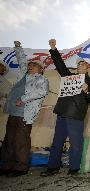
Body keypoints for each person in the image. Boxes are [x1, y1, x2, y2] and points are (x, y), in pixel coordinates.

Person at [40, 39, 90, 176]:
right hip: (62, 113)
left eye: (82, 64)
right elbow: (59, 65)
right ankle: (53, 167)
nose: (80, 65)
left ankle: (74, 168)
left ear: (87, 68)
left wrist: (87, 90)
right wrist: (53, 49)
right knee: (57, 142)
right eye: (79, 64)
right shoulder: (69, 76)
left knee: (76, 143)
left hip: (76, 115)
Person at [0, 41, 49, 177]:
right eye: (31, 64)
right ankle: (6, 165)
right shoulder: (23, 74)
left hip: (25, 114)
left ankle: (21, 167)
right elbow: (22, 61)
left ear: (41, 69)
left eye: (34, 65)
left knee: (20, 140)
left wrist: (23, 99)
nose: (31, 66)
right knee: (9, 139)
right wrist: (18, 48)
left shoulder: (41, 80)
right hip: (12, 112)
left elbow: (42, 92)